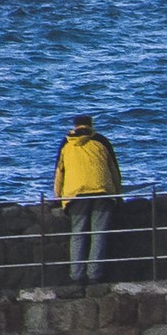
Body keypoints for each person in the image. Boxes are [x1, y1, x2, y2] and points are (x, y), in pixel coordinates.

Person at [54, 115, 120, 283]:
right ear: (91, 125)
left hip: (75, 194)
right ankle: (94, 275)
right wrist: (118, 195)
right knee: (98, 234)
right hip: (101, 191)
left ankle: (76, 274)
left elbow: (59, 174)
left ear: (74, 126)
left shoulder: (66, 144)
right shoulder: (101, 141)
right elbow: (114, 172)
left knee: (78, 234)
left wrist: (58, 198)